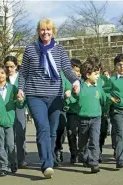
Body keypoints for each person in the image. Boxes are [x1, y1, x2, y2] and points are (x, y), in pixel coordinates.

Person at [17, 18, 80, 178]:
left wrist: (75, 81)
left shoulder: (60, 50)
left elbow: (66, 68)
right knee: (43, 128)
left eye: (48, 29)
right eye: (42, 29)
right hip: (35, 95)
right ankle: (47, 164)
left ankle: (49, 157)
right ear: (38, 32)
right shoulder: (31, 49)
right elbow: (24, 72)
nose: (45, 32)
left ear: (53, 32)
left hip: (55, 96)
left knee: (52, 131)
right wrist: (21, 89)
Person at [0, 64, 25, 176]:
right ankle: (4, 166)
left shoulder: (13, 88)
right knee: (0, 145)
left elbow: (19, 104)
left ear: (6, 74)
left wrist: (20, 100)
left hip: (9, 120)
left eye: (3, 73)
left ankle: (13, 162)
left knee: (10, 144)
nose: (0, 75)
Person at [75, 60, 107, 173]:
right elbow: (74, 100)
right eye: (96, 74)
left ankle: (94, 162)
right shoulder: (80, 87)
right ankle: (83, 156)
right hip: (83, 119)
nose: (98, 76)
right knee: (83, 142)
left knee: (94, 140)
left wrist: (105, 109)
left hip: (96, 118)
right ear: (88, 75)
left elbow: (103, 100)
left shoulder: (98, 87)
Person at [55, 58, 81, 165]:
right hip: (63, 108)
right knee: (62, 131)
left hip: (75, 111)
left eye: (78, 71)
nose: (77, 74)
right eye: (75, 71)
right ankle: (58, 149)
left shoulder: (80, 81)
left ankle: (75, 153)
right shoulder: (62, 77)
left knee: (73, 132)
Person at [4, 56, 28, 168]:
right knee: (9, 135)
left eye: (11, 66)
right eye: (7, 67)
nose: (9, 69)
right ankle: (10, 160)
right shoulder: (3, 78)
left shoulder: (22, 77)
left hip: (20, 107)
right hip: (7, 109)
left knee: (20, 134)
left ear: (16, 66)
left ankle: (21, 159)